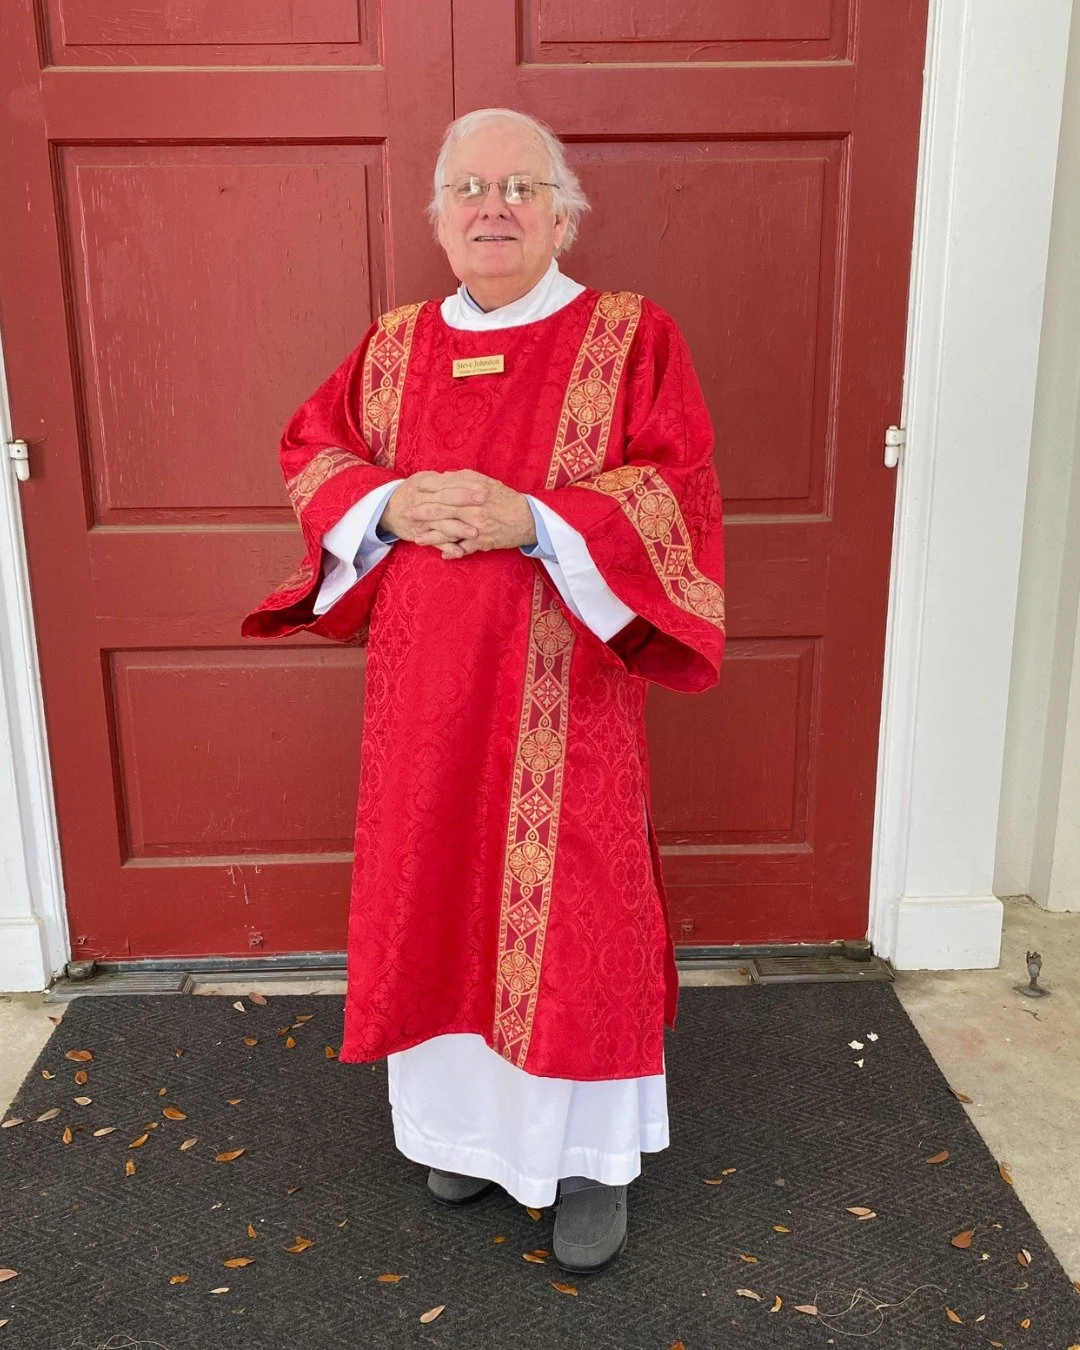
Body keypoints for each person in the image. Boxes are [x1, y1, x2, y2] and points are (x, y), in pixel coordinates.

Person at [241, 107, 726, 1274]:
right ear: (441, 219)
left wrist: (538, 520)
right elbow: (314, 449)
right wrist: (392, 503)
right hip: (424, 698)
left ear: (564, 216)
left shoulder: (629, 336)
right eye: (469, 189)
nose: (492, 207)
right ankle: (460, 1136)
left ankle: (587, 1164)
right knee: (437, 893)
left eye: (519, 188)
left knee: (579, 913)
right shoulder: (394, 345)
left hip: (570, 694)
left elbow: (675, 484)